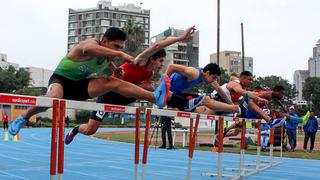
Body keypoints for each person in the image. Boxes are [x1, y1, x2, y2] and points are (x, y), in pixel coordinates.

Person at [8, 27, 170, 136]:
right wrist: (121, 56)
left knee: (111, 82)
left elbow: (106, 60)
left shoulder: (109, 56)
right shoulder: (89, 44)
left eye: (121, 48)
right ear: (104, 40)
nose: (118, 51)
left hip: (80, 86)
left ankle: (154, 97)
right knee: (53, 98)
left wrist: (114, 67)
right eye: (116, 46)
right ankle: (23, 117)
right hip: (61, 81)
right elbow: (88, 50)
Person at [64, 26, 204, 144]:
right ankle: (75, 130)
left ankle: (185, 103)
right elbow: (157, 46)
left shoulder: (149, 75)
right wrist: (180, 38)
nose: (162, 65)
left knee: (153, 87)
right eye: (160, 61)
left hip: (127, 97)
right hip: (109, 96)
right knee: (90, 130)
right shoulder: (140, 61)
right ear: (152, 59)